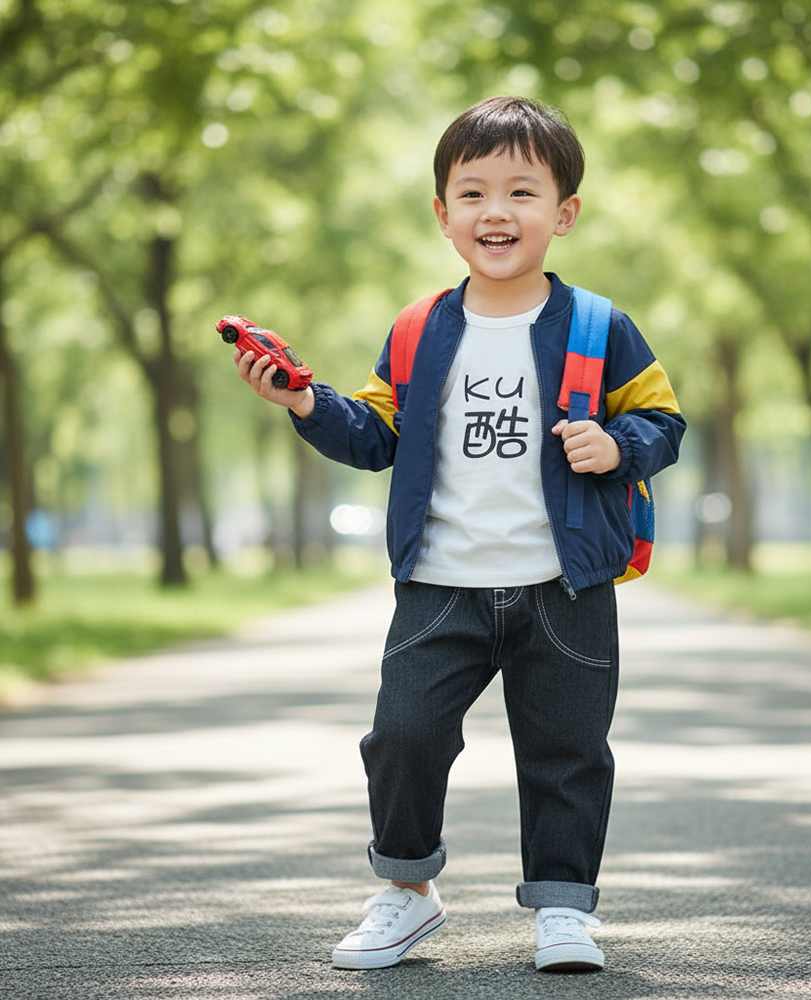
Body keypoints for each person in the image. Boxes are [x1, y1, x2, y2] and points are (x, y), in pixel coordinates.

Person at [234, 95, 685, 973]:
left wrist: (617, 445)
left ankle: (563, 907)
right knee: (402, 735)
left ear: (564, 213)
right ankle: (407, 890)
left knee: (566, 753)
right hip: (440, 582)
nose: (495, 212)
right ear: (443, 215)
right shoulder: (418, 330)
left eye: (521, 192)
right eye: (472, 193)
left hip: (565, 583)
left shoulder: (601, 327)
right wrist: (305, 401)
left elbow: (662, 421)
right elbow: (376, 433)